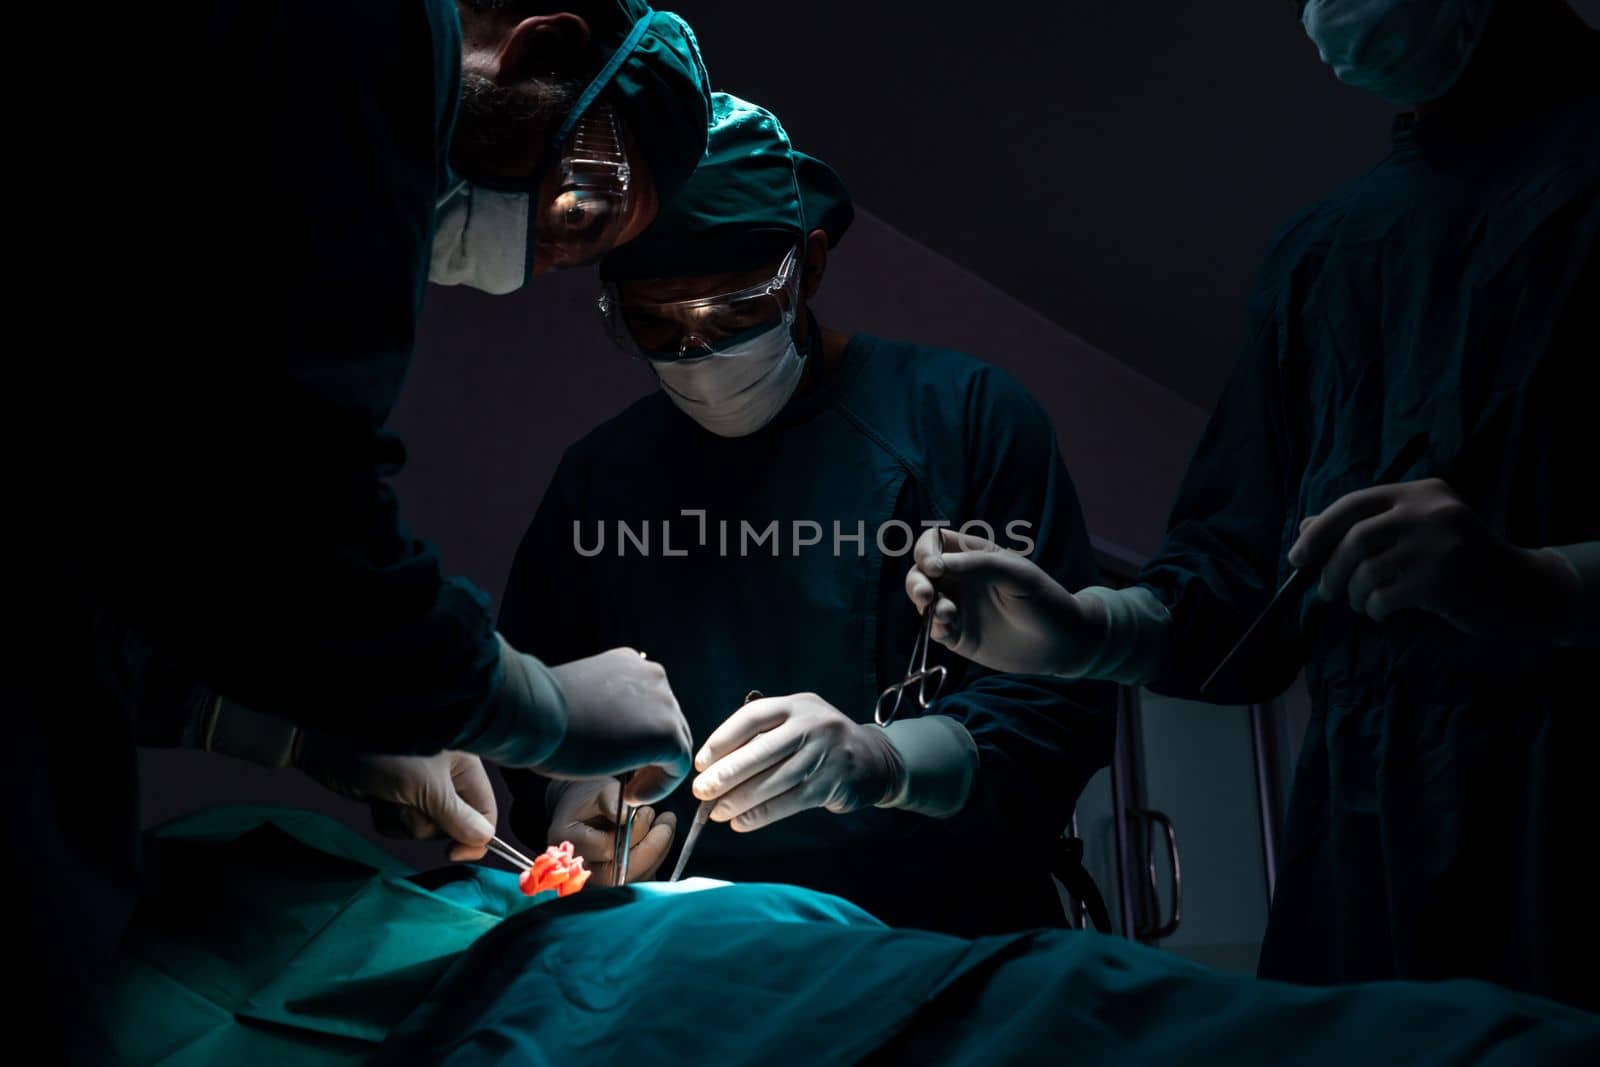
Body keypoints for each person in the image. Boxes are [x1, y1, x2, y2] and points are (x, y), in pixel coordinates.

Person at [32, 1, 714, 1058]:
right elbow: (284, 501)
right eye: (578, 207)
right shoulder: (364, 29)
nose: (540, 260)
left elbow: (125, 535)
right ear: (539, 49)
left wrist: (286, 730)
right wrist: (524, 700)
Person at [905, 0, 1597, 1006]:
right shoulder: (1327, 253)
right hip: (1361, 836)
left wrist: (1549, 586)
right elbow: (1240, 585)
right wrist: (1085, 628)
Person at [499, 94, 1115, 933]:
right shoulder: (598, 481)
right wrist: (572, 793)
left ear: (810, 268)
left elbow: (1060, 710)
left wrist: (890, 758)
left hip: (943, 934)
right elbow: (528, 697)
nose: (698, 350)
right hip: (691, 940)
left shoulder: (960, 419)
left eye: (733, 312)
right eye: (656, 323)